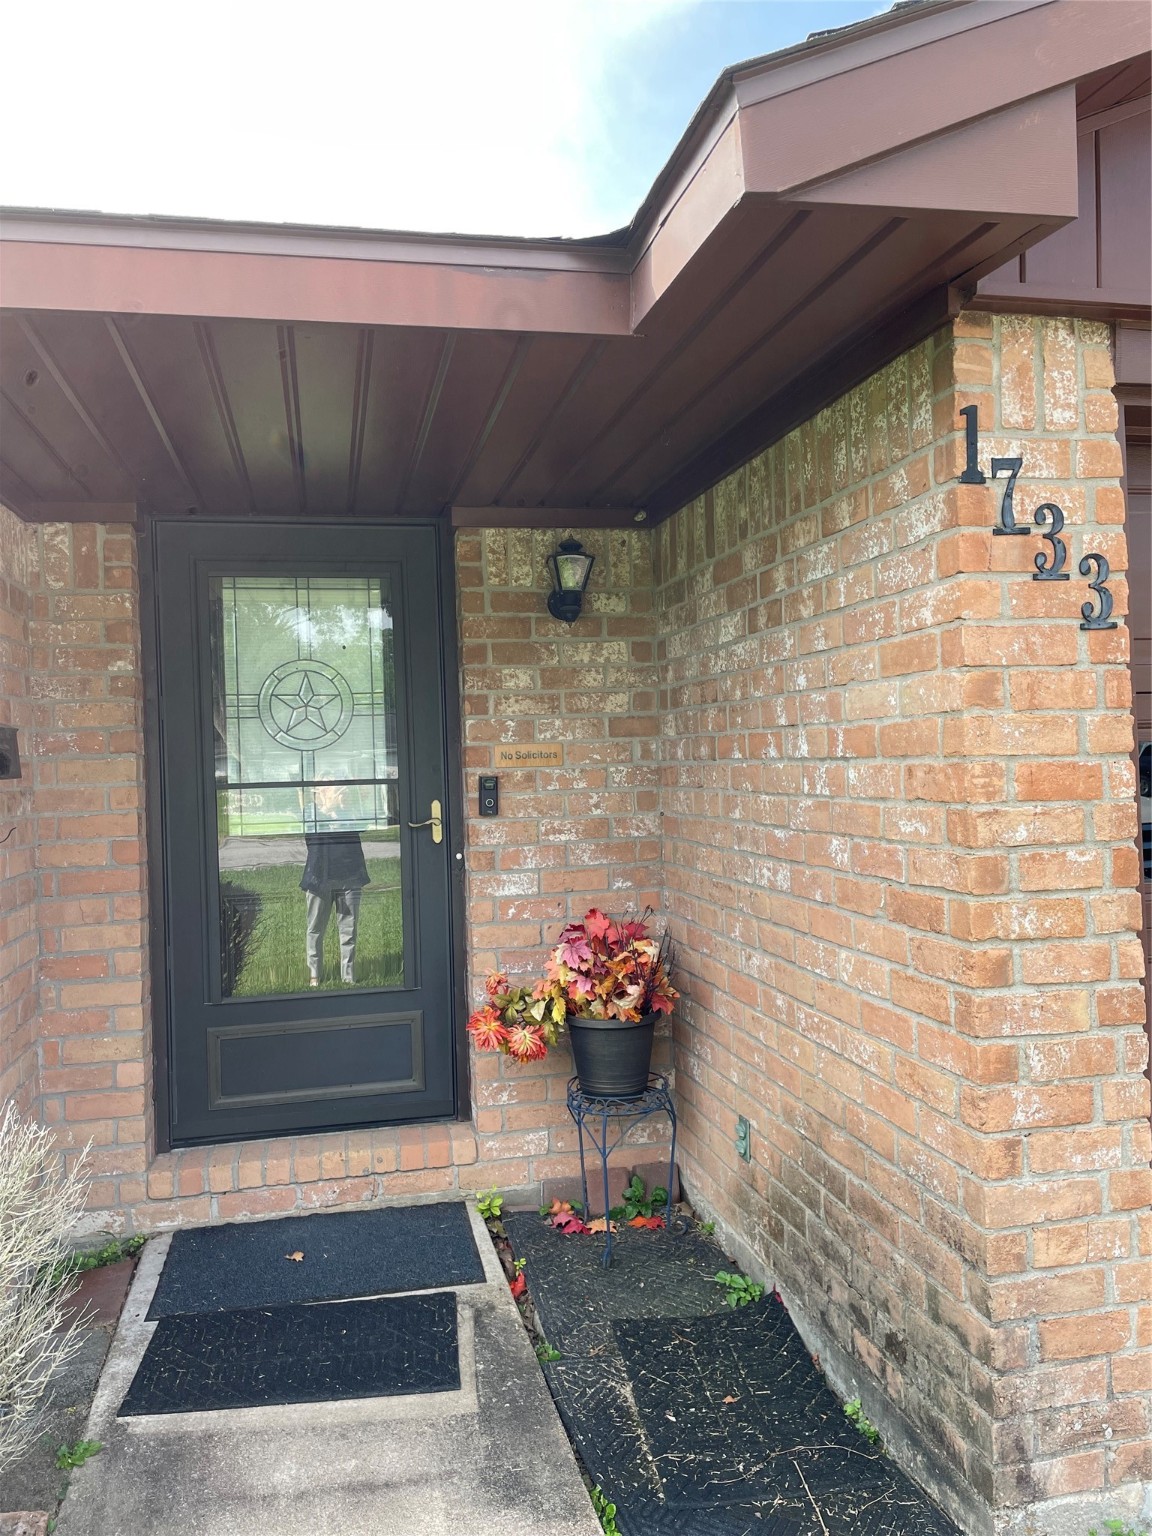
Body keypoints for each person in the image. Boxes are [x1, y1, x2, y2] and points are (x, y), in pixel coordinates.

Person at [300, 785, 369, 986]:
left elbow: (363, 825)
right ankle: (314, 975)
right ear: (320, 791)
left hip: (349, 875)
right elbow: (311, 835)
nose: (340, 791)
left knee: (348, 928)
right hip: (319, 877)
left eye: (341, 787)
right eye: (333, 787)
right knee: (315, 928)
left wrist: (342, 811)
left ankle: (348, 977)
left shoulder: (349, 809)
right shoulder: (311, 811)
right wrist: (328, 811)